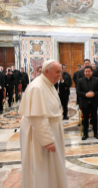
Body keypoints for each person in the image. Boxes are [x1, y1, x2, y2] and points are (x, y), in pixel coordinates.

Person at [18, 60, 68, 188]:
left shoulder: (48, 84)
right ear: (47, 71)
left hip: (51, 132)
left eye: (60, 72)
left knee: (52, 167)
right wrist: (47, 141)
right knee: (43, 168)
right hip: (41, 138)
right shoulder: (37, 87)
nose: (60, 76)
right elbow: (38, 118)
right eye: (57, 72)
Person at [77, 66, 98, 140]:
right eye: (86, 71)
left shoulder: (96, 80)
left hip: (94, 102)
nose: (87, 73)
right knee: (85, 119)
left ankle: (96, 133)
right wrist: (85, 94)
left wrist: (94, 93)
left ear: (92, 72)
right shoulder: (80, 80)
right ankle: (85, 134)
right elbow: (78, 91)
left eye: (89, 71)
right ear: (84, 72)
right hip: (84, 102)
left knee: (94, 118)